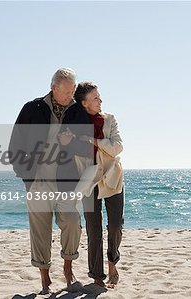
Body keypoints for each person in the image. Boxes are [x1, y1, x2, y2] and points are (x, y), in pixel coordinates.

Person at [9, 67, 82, 295]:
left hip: (66, 181)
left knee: (71, 221)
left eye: (74, 91)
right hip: (38, 180)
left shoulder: (77, 112)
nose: (71, 96)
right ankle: (45, 279)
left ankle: (68, 269)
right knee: (40, 230)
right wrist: (28, 177)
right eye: (68, 92)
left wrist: (72, 143)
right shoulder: (32, 109)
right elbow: (15, 145)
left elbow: (87, 145)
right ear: (54, 88)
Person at [59, 81, 124, 288]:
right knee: (93, 229)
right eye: (95, 98)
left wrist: (95, 141)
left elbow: (118, 147)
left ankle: (112, 261)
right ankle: (97, 276)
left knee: (115, 225)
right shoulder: (75, 125)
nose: (100, 101)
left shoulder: (110, 119)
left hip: (112, 178)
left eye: (100, 96)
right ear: (84, 103)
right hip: (89, 181)